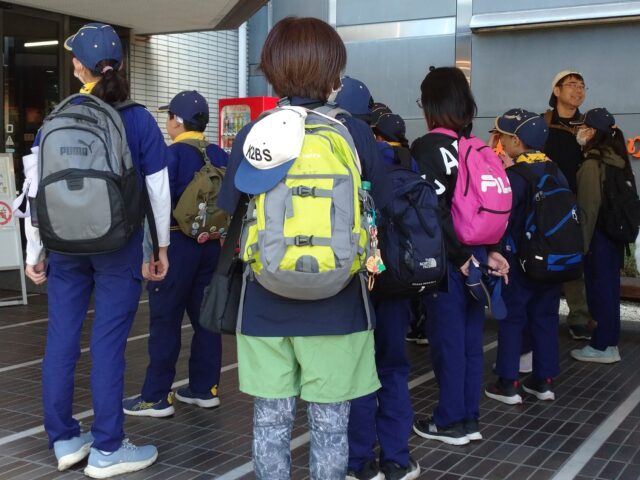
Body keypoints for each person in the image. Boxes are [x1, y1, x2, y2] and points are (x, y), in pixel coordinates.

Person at [217, 17, 386, 480]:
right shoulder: (353, 133)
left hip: (264, 302)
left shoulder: (256, 133)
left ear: (273, 70)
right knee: (331, 427)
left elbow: (231, 210)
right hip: (340, 303)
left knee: (270, 422)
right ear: (333, 71)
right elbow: (380, 210)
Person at [23, 23, 171, 477]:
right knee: (107, 343)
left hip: (64, 247)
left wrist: (33, 253)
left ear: (76, 68)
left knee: (61, 340)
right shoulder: (139, 120)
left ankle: (65, 439)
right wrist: (161, 248)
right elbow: (158, 191)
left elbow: (36, 192)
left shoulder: (55, 119)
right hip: (118, 246)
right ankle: (108, 447)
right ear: (120, 64)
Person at [410, 66, 509, 445]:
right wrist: (490, 252)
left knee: (447, 342)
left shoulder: (428, 147)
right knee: (470, 342)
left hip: (450, 261)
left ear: (432, 105)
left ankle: (449, 421)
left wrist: (458, 256)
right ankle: (469, 417)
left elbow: (431, 211)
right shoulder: (474, 146)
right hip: (480, 254)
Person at [122, 91, 228, 417]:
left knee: (165, 321)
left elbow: (154, 208)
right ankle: (204, 388)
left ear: (177, 121)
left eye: (169, 117)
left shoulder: (170, 156)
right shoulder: (219, 154)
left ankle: (156, 397)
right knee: (206, 319)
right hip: (211, 245)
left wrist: (150, 253)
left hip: (175, 245)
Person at [335, 80, 420, 480]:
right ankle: (397, 459)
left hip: (349, 281)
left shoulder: (333, 151)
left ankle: (359, 463)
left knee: (355, 371)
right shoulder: (402, 159)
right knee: (393, 367)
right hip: (395, 278)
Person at [484, 109, 562, 405]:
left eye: (504, 136)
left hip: (519, 261)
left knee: (513, 318)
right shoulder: (556, 171)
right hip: (552, 260)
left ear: (516, 141)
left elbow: (502, 218)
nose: (501, 142)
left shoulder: (515, 176)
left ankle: (508, 382)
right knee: (545, 318)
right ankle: (544, 381)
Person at [571, 108, 628, 363]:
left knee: (599, 291)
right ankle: (609, 342)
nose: (579, 131)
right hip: (614, 236)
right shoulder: (617, 158)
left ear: (592, 131)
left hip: (597, 236)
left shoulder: (592, 163)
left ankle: (602, 345)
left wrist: (581, 246)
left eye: (582, 127)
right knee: (610, 291)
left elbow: (588, 208)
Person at [543, 70, 594, 341]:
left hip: (577, 203)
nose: (578, 90)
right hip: (545, 202)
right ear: (557, 91)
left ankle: (579, 317)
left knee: (575, 258)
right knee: (543, 256)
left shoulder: (588, 126)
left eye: (582, 86)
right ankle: (543, 314)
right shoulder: (543, 123)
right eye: (572, 85)